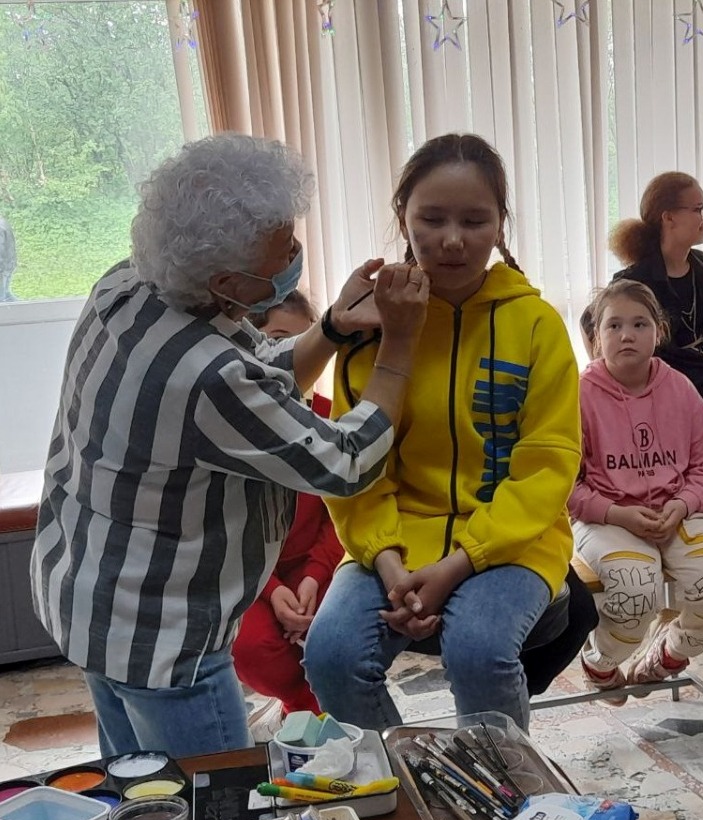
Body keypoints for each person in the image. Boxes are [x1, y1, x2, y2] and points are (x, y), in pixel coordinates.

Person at [30, 133, 428, 758]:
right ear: (225, 281)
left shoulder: (127, 285)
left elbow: (254, 373)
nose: (295, 257)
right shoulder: (204, 377)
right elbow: (346, 461)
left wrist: (330, 328)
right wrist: (401, 343)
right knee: (217, 802)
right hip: (160, 638)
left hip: (87, 596)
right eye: (283, 254)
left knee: (140, 787)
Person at [304, 133, 581, 732]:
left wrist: (460, 563)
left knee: (478, 649)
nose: (453, 239)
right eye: (432, 219)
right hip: (393, 538)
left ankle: (501, 782)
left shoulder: (535, 324)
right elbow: (353, 464)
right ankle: (404, 780)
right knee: (331, 655)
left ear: (500, 225)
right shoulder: (372, 327)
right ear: (403, 218)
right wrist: (388, 563)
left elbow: (548, 465)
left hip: (514, 539)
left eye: (474, 221)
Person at [569, 279, 703, 704]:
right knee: (635, 591)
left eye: (639, 324)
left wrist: (681, 505)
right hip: (606, 517)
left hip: (677, 513)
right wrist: (617, 514)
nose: (626, 335)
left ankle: (667, 653)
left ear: (658, 331)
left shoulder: (680, 388)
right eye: (613, 326)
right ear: (596, 337)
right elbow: (565, 485)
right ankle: (600, 662)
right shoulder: (577, 395)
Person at [231, 292, 343, 717]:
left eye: (306, 341)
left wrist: (314, 576)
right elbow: (228, 530)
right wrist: (274, 590)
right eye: (278, 340)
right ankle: (305, 705)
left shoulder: (331, 418)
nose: (294, 357)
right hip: (250, 574)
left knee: (339, 636)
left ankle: (317, 711)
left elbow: (343, 516)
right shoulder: (230, 424)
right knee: (251, 647)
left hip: (323, 565)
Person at [609, 171, 703, 409]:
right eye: (699, 210)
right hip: (681, 375)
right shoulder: (634, 281)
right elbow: (590, 324)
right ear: (668, 217)